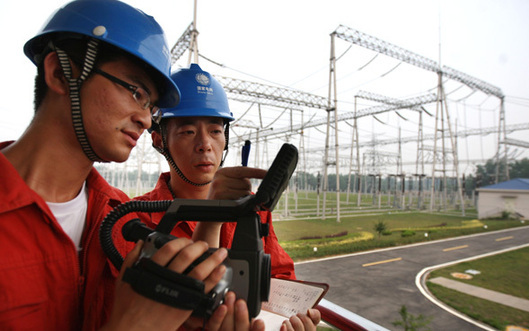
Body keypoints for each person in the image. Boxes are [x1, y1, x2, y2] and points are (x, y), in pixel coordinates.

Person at [0, 1, 258, 330]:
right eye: (136, 92)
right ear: (61, 73)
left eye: (151, 105)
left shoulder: (120, 218)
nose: (146, 118)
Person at [135, 63, 320, 329]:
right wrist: (212, 213)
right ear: (159, 140)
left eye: (215, 131)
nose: (205, 144)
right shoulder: (137, 219)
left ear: (226, 139)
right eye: (187, 131)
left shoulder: (252, 209)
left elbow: (280, 276)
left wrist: (293, 316)